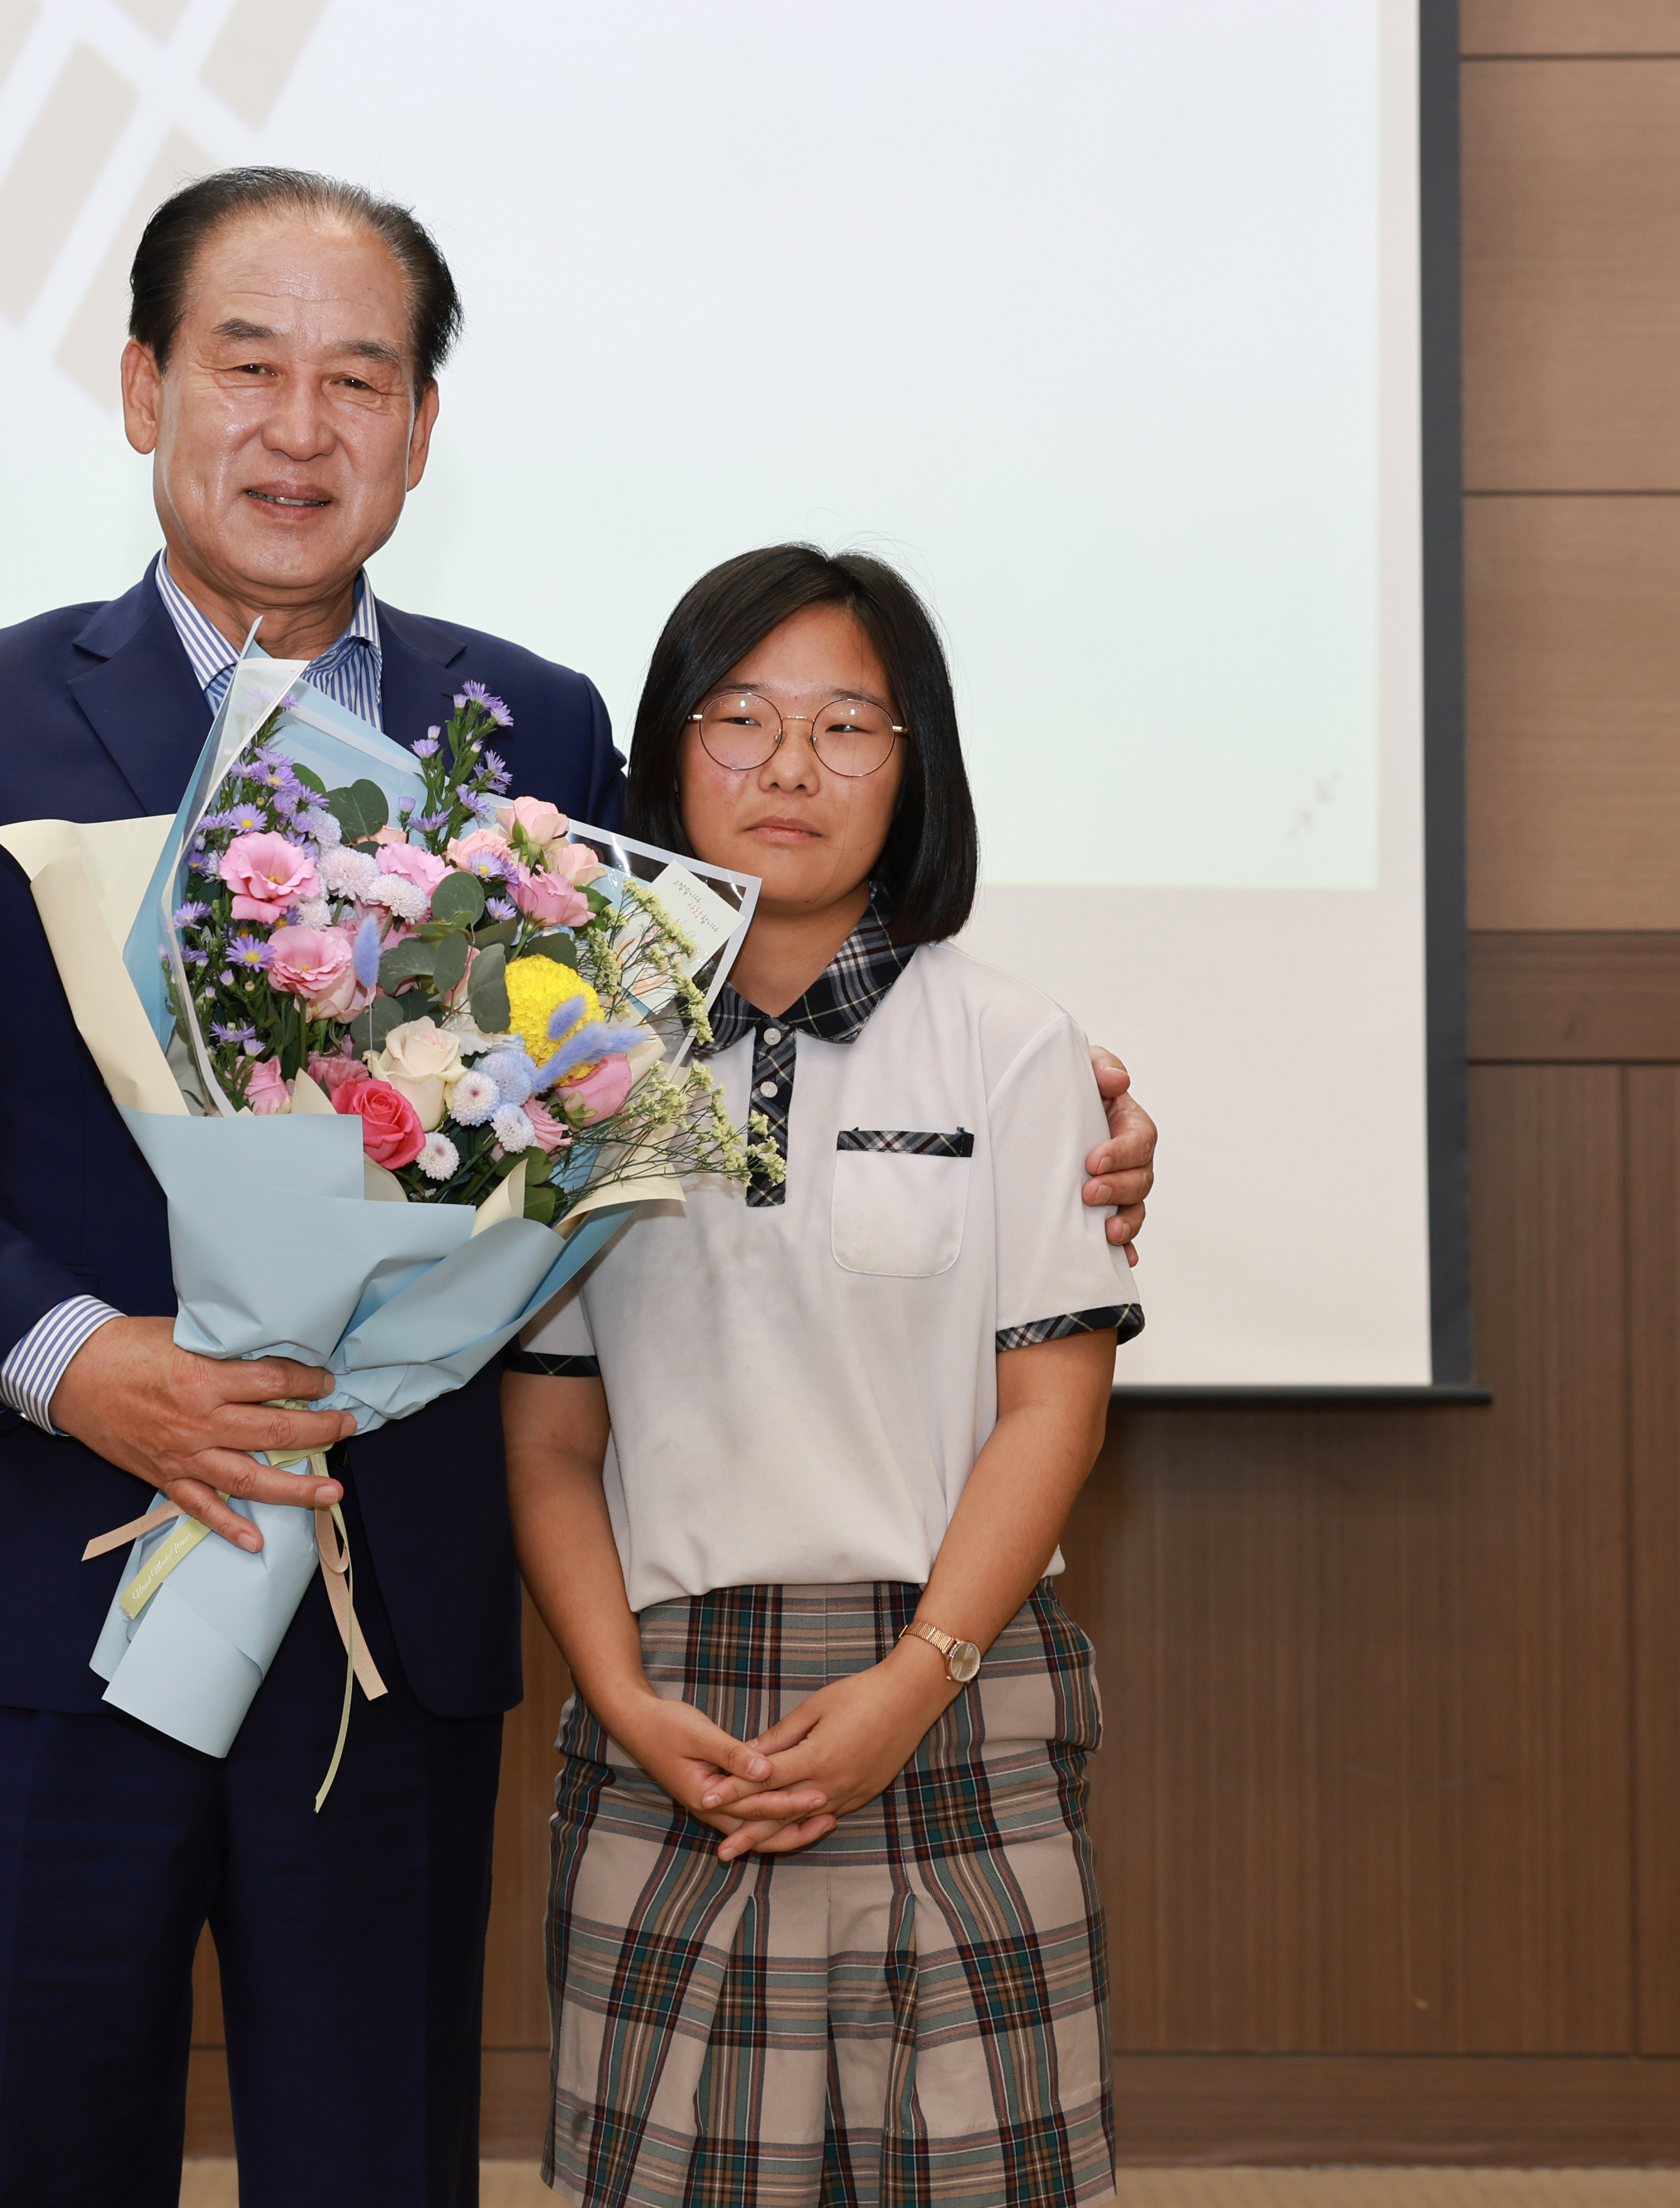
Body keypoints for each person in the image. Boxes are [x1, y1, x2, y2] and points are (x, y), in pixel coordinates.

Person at [0, 170, 1158, 2208]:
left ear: (422, 431)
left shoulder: (535, 732)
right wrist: (84, 1364)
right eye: (249, 367)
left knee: (377, 2164)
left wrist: (1082, 1113)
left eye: (362, 379)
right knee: (42, 2158)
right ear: (145, 383)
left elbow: (685, 1042)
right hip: (45, 1591)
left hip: (389, 1607)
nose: (301, 427)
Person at [507, 546, 1139, 2207]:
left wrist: (911, 1681)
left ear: (914, 765)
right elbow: (551, 1445)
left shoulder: (1009, 1043)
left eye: (849, 725)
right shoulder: (576, 1056)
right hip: (675, 1723)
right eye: (743, 718)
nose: (791, 767)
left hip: (951, 1690)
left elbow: (1053, 1408)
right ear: (668, 753)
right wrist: (624, 1698)